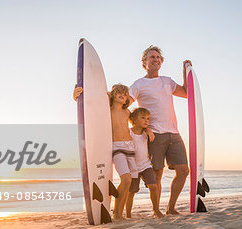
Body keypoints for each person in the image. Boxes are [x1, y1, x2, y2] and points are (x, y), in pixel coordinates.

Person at [128, 45, 191, 215]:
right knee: (157, 175)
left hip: (173, 133)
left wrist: (187, 72)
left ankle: (171, 208)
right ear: (144, 62)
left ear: (161, 62)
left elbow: (186, 93)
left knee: (184, 170)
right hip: (154, 135)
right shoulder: (139, 84)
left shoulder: (167, 82)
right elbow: (125, 102)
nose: (155, 59)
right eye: (151, 57)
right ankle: (156, 210)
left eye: (158, 57)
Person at [74, 84, 145, 220]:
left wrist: (146, 130)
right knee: (126, 179)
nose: (122, 95)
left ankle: (120, 212)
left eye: (125, 94)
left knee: (129, 182)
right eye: (118, 92)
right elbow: (91, 103)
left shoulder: (127, 112)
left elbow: (138, 123)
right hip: (116, 147)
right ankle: (117, 213)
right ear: (112, 95)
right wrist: (78, 96)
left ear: (127, 100)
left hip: (130, 147)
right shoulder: (107, 110)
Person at [125, 108, 164, 219]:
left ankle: (156, 210)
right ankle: (128, 214)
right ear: (133, 119)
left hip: (146, 165)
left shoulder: (146, 133)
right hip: (132, 167)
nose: (146, 121)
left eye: (148, 118)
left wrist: (148, 131)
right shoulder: (129, 132)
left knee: (153, 186)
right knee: (132, 191)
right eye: (143, 118)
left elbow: (149, 133)